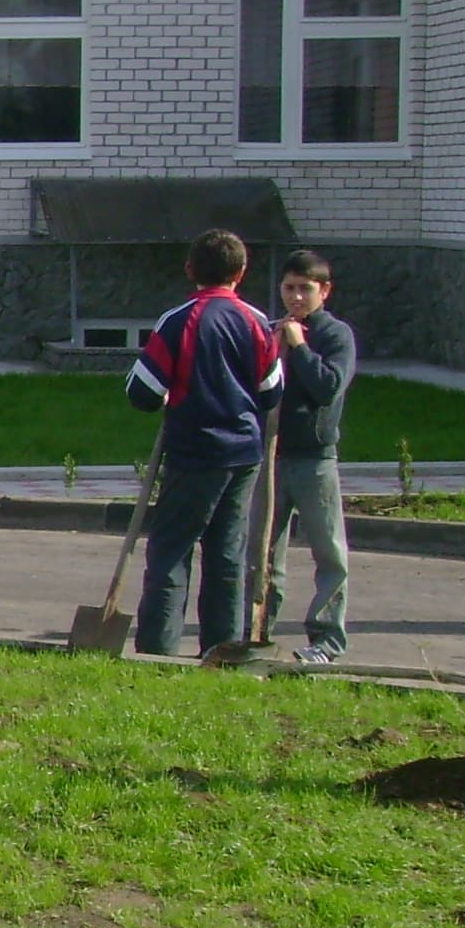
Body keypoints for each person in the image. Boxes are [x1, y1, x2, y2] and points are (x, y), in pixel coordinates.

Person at [127, 228, 283, 658]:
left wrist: (168, 391)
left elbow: (141, 392)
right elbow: (272, 392)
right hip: (243, 455)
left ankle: (157, 651)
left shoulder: (179, 320)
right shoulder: (256, 322)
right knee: (227, 554)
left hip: (194, 453)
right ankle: (222, 649)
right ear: (242, 272)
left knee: (171, 552)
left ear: (190, 269)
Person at [266, 249, 355, 664]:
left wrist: (300, 349)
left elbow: (327, 388)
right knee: (263, 553)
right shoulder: (273, 330)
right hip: (271, 456)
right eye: (289, 288)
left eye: (306, 289)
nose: (296, 297)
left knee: (329, 553)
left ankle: (326, 639)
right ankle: (257, 630)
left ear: (325, 291)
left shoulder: (335, 336)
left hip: (314, 458)